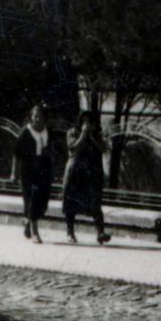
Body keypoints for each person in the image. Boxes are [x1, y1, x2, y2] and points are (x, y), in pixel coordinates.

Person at [61, 111, 111, 244]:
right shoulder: (72, 132)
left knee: (95, 203)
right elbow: (73, 148)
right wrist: (83, 134)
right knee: (71, 204)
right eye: (84, 121)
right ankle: (70, 232)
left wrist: (92, 136)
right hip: (75, 173)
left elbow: (104, 148)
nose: (87, 124)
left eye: (90, 121)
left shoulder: (98, 135)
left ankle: (100, 232)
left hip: (92, 173)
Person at [12, 103, 53, 243]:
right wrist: (14, 173)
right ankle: (35, 232)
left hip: (43, 170)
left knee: (42, 201)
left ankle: (27, 222)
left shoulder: (47, 131)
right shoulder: (26, 132)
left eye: (40, 116)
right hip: (28, 171)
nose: (38, 119)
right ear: (31, 117)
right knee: (32, 200)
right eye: (35, 116)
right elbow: (16, 153)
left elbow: (50, 151)